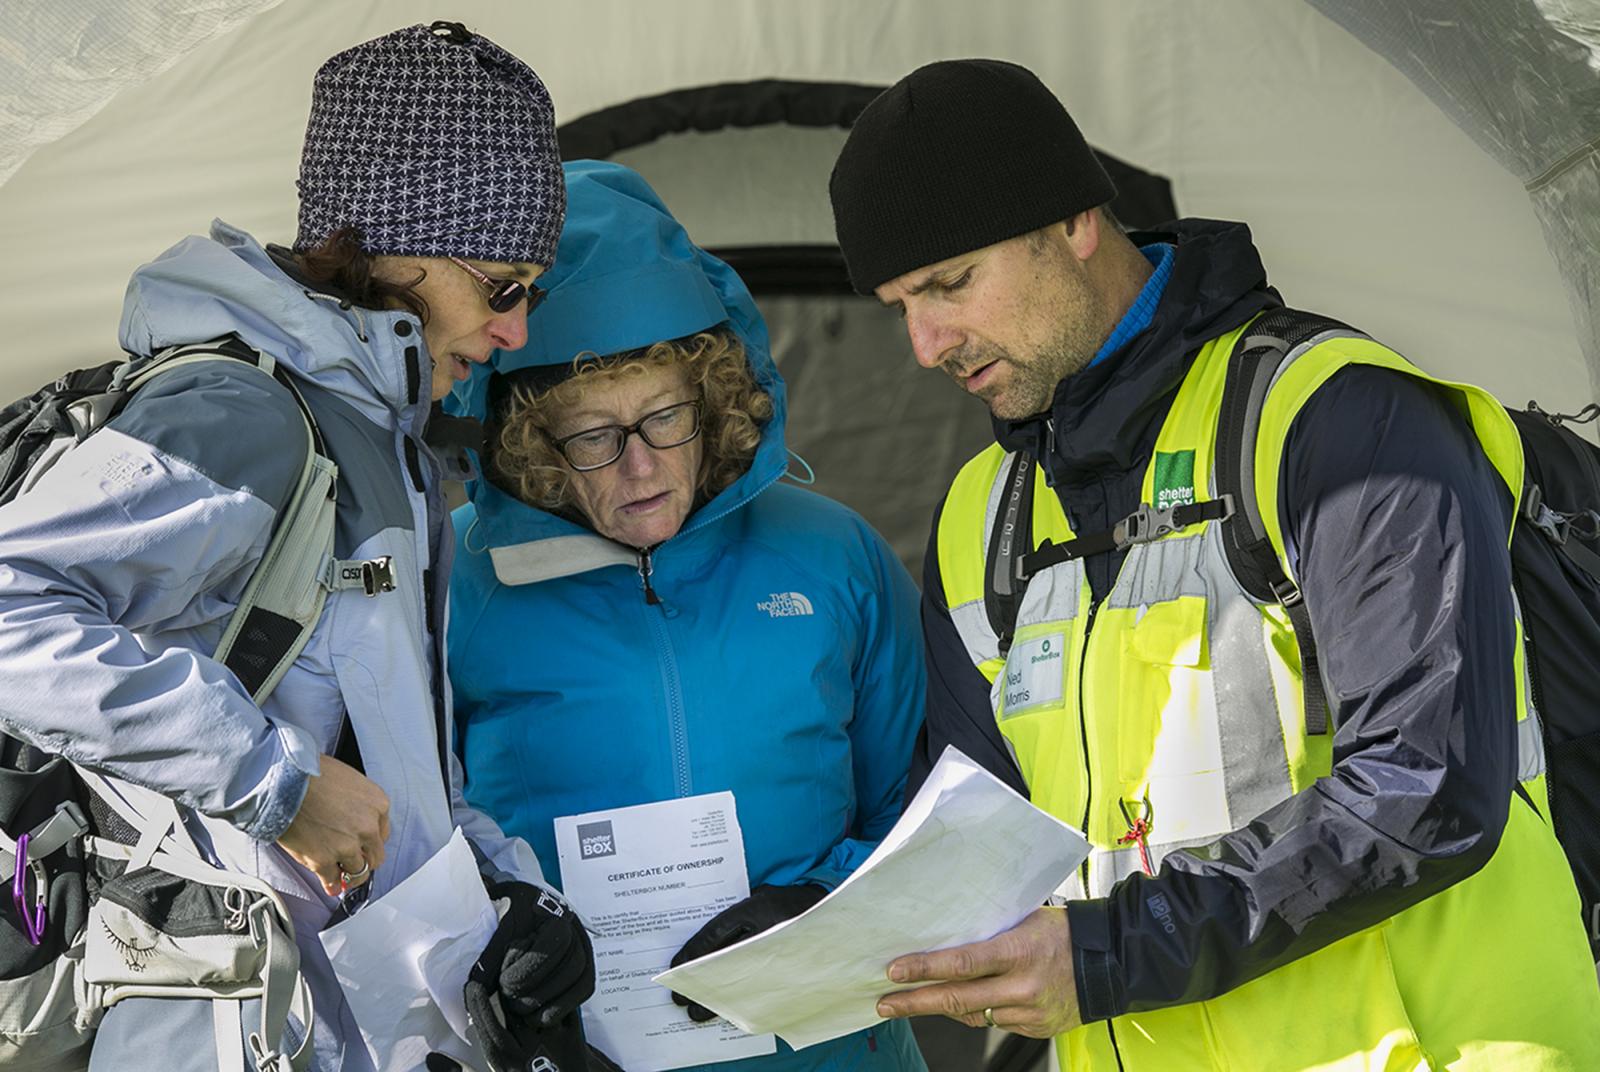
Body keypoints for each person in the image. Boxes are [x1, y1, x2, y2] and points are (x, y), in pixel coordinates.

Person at [825, 59, 1600, 1071]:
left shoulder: (1335, 418)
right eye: (898, 307)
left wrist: (1102, 956)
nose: (926, 344)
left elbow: (1426, 785)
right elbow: (989, 847)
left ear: (1071, 223)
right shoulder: (980, 516)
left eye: (948, 283)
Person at [0, 23, 592, 1072]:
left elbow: (382, 748)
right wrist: (275, 781)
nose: (518, 330)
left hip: (349, 1016)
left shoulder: (384, 444)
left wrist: (505, 895)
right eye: (501, 286)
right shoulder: (241, 412)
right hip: (206, 1024)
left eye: (531, 291)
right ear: (387, 246)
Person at [446, 159, 930, 1072]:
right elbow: (400, 838)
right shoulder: (458, 581)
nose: (643, 468)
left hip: (832, 1051)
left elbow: (929, 806)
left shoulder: (832, 555)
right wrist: (495, 978)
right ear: (527, 440)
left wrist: (818, 907)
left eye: (667, 416)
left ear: (713, 399)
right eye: (593, 436)